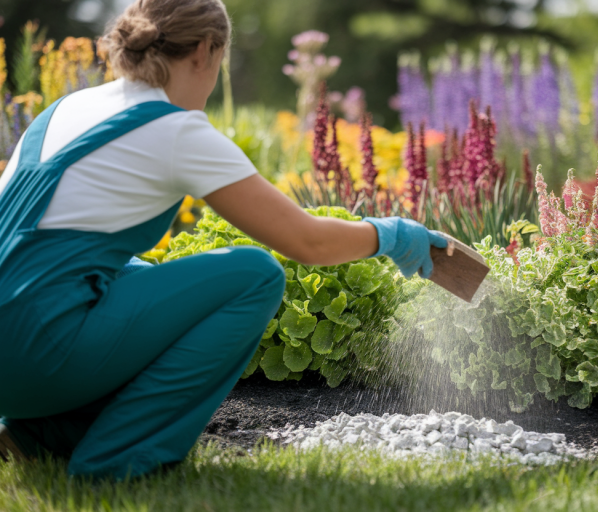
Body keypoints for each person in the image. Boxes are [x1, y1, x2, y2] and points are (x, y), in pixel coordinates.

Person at [0, 0, 446, 480]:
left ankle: (38, 432)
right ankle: (117, 462)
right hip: (38, 351)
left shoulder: (65, 108)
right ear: (205, 52)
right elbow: (307, 242)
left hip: (15, 353)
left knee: (141, 277)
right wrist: (394, 235)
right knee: (253, 276)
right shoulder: (173, 128)